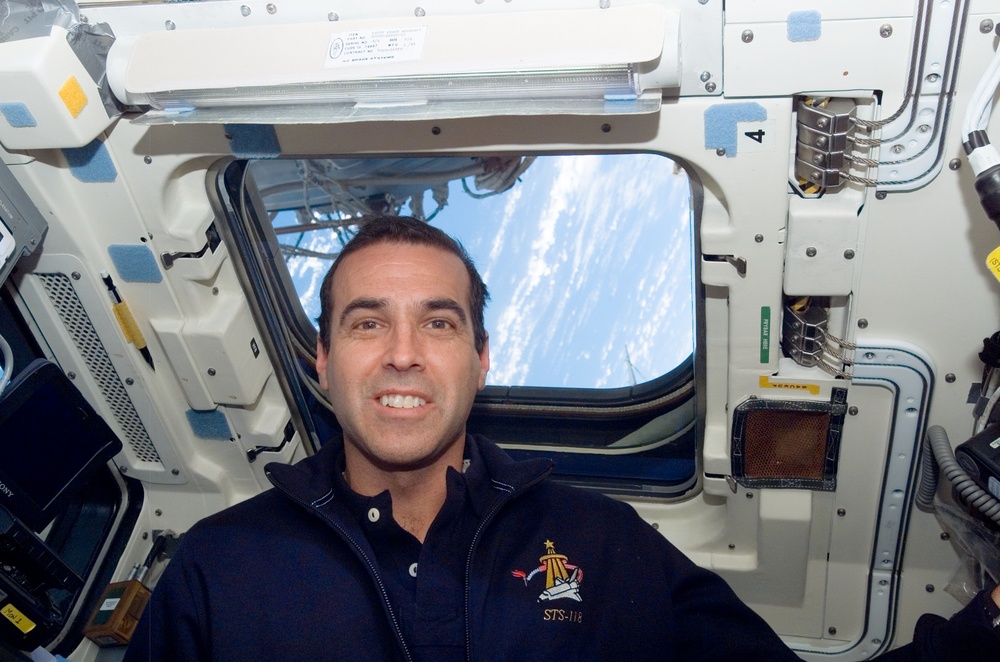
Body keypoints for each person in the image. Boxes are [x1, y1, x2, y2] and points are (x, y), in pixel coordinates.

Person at [124, 216, 1000, 661]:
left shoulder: (602, 541)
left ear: (480, 359)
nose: (402, 354)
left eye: (438, 323)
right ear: (322, 360)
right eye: (366, 323)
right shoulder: (220, 565)